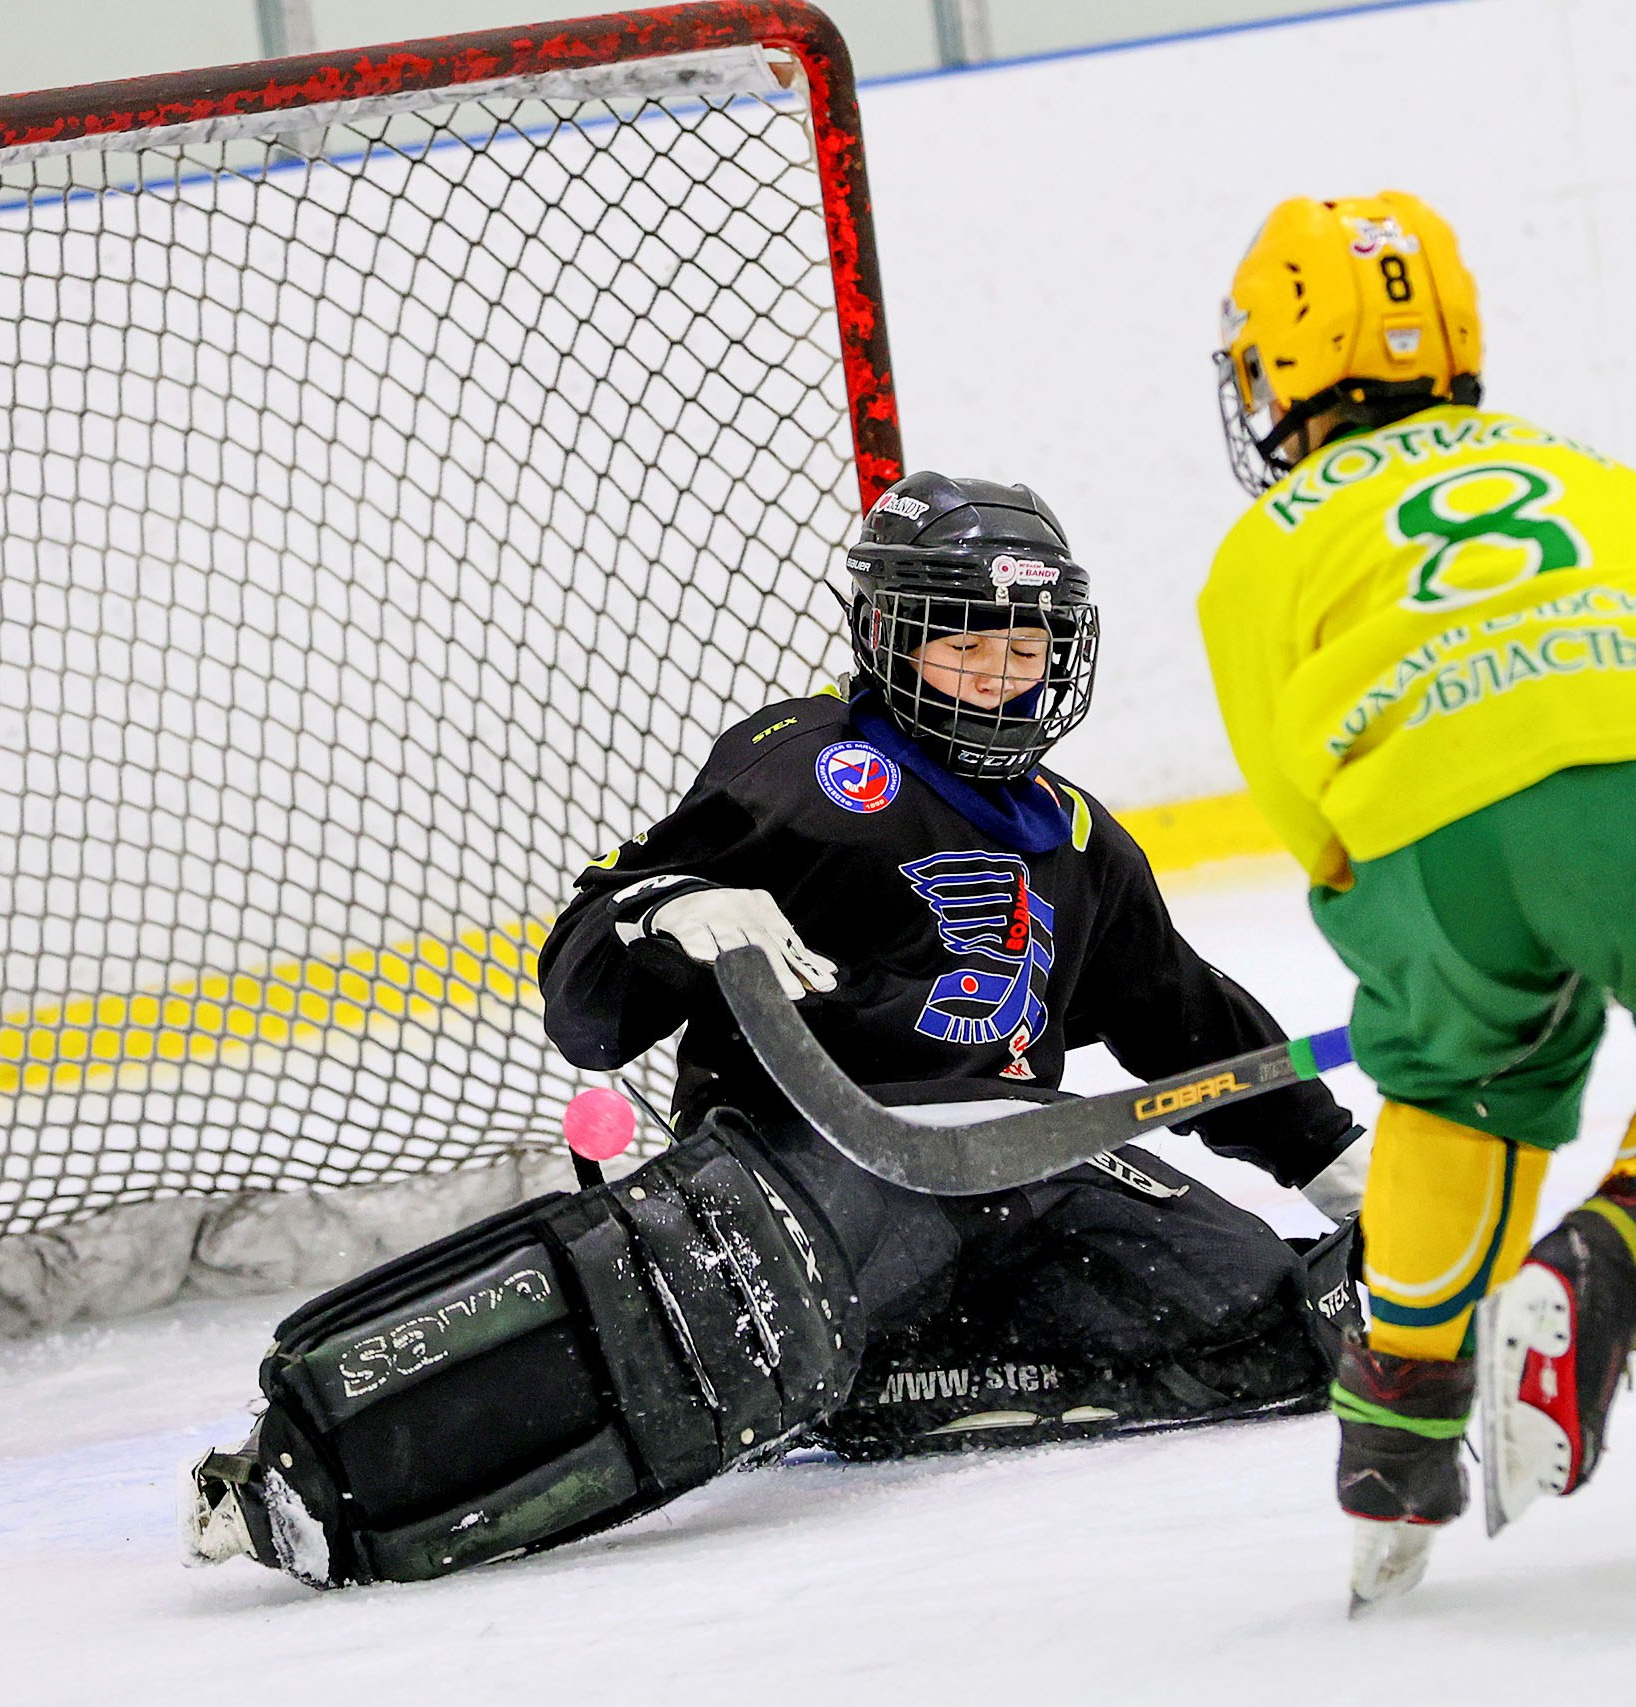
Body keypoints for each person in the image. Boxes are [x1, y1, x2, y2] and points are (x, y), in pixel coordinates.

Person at [186, 472, 1369, 1587]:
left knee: (1291, 1329)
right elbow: (587, 1011)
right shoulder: (804, 770)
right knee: (669, 1334)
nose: (1002, 672)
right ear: (887, 638)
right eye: (962, 642)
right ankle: (327, 1468)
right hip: (817, 1169)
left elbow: (1180, 1011)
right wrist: (667, 911)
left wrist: (1321, 1154)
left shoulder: (1077, 838)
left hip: (1024, 1162)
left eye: (1026, 645)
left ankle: (898, 1381)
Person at [1198, 192, 1636, 1610]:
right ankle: (1614, 1260)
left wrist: (1400, 907)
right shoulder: (1583, 466)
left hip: (1418, 813)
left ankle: (1400, 1434)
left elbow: (1296, 795)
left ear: (1286, 366)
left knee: (1460, 1083)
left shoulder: (1264, 543)